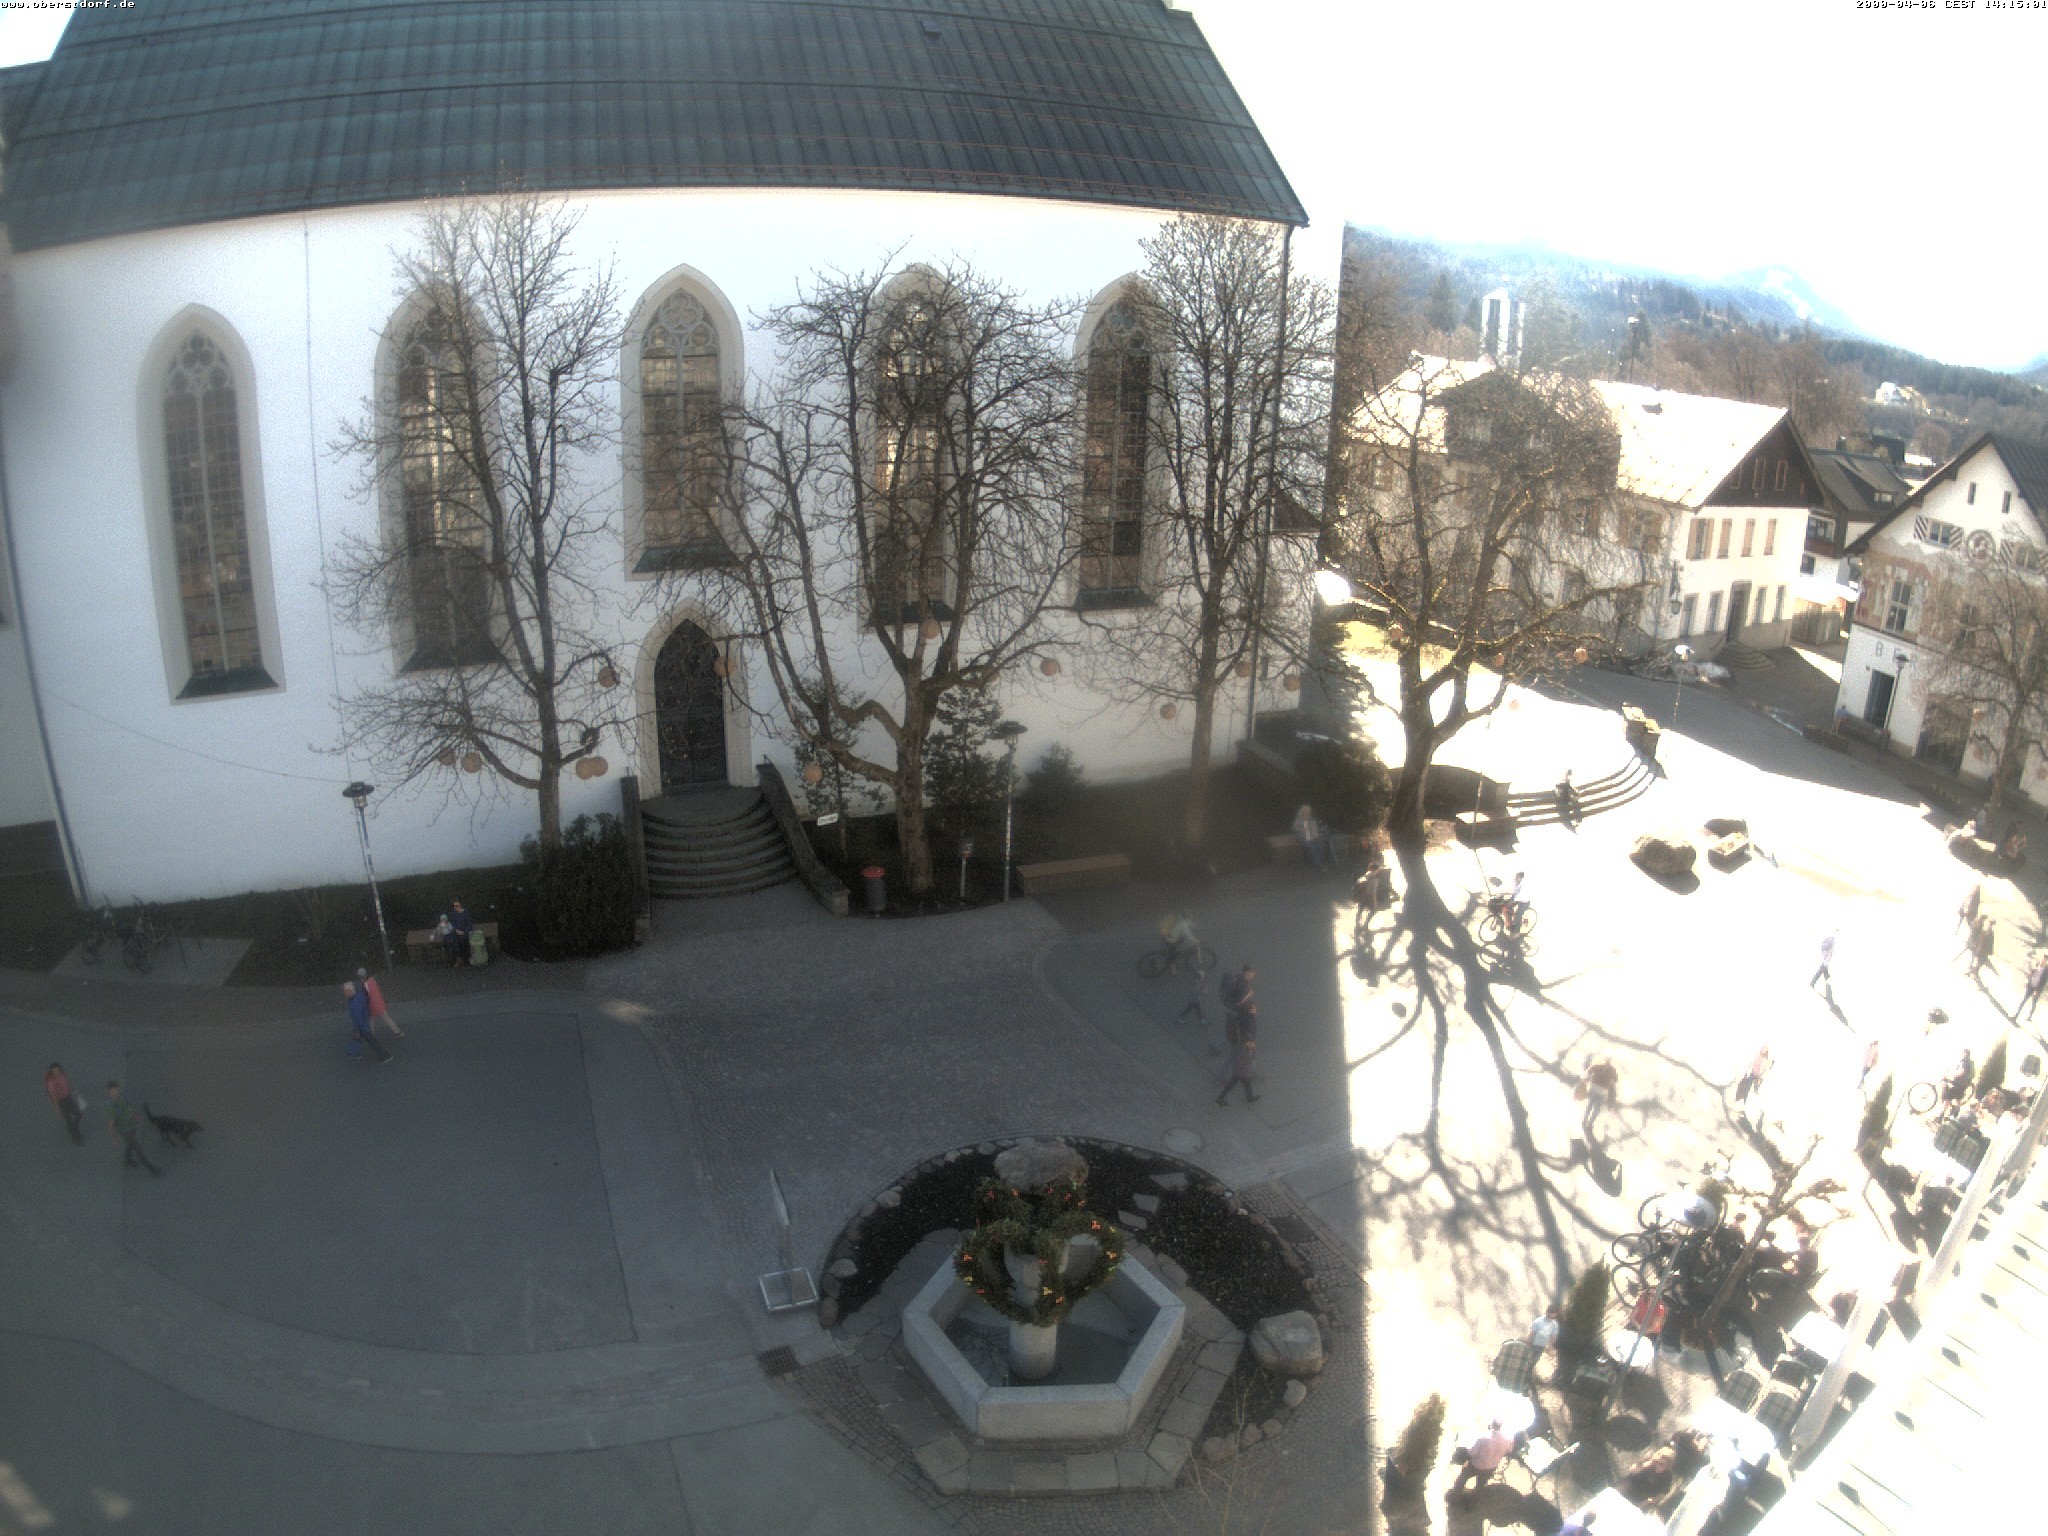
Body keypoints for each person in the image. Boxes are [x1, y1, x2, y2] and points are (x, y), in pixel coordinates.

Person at [105, 1081, 160, 1176]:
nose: (115, 1093)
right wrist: (114, 1138)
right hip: (125, 1131)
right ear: (109, 1092)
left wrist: (138, 1120)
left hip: (131, 1127)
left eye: (116, 1090)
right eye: (113, 1091)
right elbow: (111, 1124)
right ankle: (153, 1170)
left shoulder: (121, 1098)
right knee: (138, 1150)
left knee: (130, 1145)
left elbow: (130, 1110)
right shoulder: (111, 1106)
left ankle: (127, 1160)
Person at [1451, 1420, 1515, 1491]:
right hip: (1491, 1468)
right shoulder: (1507, 1440)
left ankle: (1455, 1492)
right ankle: (1475, 1497)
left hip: (1476, 1465)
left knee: (1461, 1479)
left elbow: (1471, 1453)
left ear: (1492, 1424)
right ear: (1501, 1426)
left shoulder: (1483, 1438)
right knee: (1480, 1485)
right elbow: (1509, 1451)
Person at [345, 981, 392, 1064]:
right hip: (365, 1024)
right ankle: (354, 1053)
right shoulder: (359, 996)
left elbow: (358, 1017)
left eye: (346, 991)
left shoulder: (354, 1001)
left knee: (371, 1041)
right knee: (364, 1040)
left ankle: (385, 1055)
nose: (345, 993)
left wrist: (357, 1030)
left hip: (362, 1026)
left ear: (351, 991)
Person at [45, 1062, 85, 1145]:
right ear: (51, 1071)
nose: (56, 1071)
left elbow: (67, 1085)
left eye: (57, 1069)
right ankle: (76, 1137)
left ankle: (75, 1127)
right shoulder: (51, 1081)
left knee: (79, 1114)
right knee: (68, 1119)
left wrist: (75, 1093)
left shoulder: (62, 1075)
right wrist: (58, 1108)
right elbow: (53, 1095)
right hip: (60, 1101)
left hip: (68, 1097)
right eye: (54, 1070)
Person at [1578, 1058, 1618, 1139]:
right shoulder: (1612, 1070)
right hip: (1602, 1091)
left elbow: (1589, 1071)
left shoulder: (1598, 1066)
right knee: (1596, 1109)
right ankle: (1589, 1124)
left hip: (1594, 1088)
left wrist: (1586, 1080)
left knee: (1590, 1106)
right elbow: (1615, 1081)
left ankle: (1585, 1121)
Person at [357, 967, 403, 1038]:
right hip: (380, 1002)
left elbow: (366, 999)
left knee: (371, 1020)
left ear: (360, 977)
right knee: (386, 1018)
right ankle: (398, 1032)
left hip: (373, 1006)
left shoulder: (364, 986)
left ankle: (372, 1036)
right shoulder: (372, 979)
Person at [1293, 804, 1328, 870]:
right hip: (1304, 838)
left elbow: (1316, 826)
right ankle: (1319, 866)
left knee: (1322, 846)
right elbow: (1294, 828)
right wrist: (1302, 830)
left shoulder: (1311, 818)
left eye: (1308, 811)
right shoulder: (1298, 819)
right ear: (1302, 811)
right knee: (1312, 847)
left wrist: (1317, 827)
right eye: (1306, 811)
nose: (1307, 813)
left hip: (1313, 837)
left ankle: (1319, 862)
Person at [444, 899, 473, 967]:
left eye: (457, 906)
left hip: (464, 932)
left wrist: (464, 932)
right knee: (451, 939)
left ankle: (460, 958)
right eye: (454, 906)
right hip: (456, 932)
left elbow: (469, 925)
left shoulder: (466, 913)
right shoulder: (454, 914)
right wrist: (456, 930)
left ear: (460, 905)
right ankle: (458, 958)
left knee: (458, 940)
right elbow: (452, 924)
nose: (455, 907)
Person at [2022, 952, 2048, 1022]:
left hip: (2037, 989)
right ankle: (2016, 1015)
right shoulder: (2038, 965)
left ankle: (2030, 1016)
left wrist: (2037, 991)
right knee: (2024, 1000)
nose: (2043, 961)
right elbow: (2033, 973)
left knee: (2034, 1003)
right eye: (2043, 959)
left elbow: (2043, 983)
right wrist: (2029, 980)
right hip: (2031, 986)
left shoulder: (2046, 971)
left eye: (2045, 960)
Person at [1811, 930, 1836, 995]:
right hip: (1827, 952)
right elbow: (1829, 949)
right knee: (1823, 966)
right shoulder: (1831, 939)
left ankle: (1826, 977)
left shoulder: (1828, 938)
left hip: (1825, 950)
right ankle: (1813, 982)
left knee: (1824, 966)